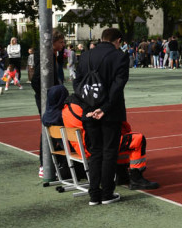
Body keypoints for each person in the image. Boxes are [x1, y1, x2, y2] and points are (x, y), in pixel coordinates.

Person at [57, 88, 159, 191]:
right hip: (92, 148)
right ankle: (136, 178)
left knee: (121, 140)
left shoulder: (67, 108)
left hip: (80, 147)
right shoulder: (85, 106)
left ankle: (121, 174)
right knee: (137, 139)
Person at [73, 27, 130, 205]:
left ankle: (93, 194)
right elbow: (117, 86)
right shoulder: (120, 56)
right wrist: (105, 108)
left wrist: (86, 106)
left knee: (95, 152)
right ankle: (106, 193)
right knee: (109, 152)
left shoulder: (85, 56)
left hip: (88, 109)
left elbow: (77, 84)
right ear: (118, 40)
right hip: (110, 111)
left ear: (101, 38)